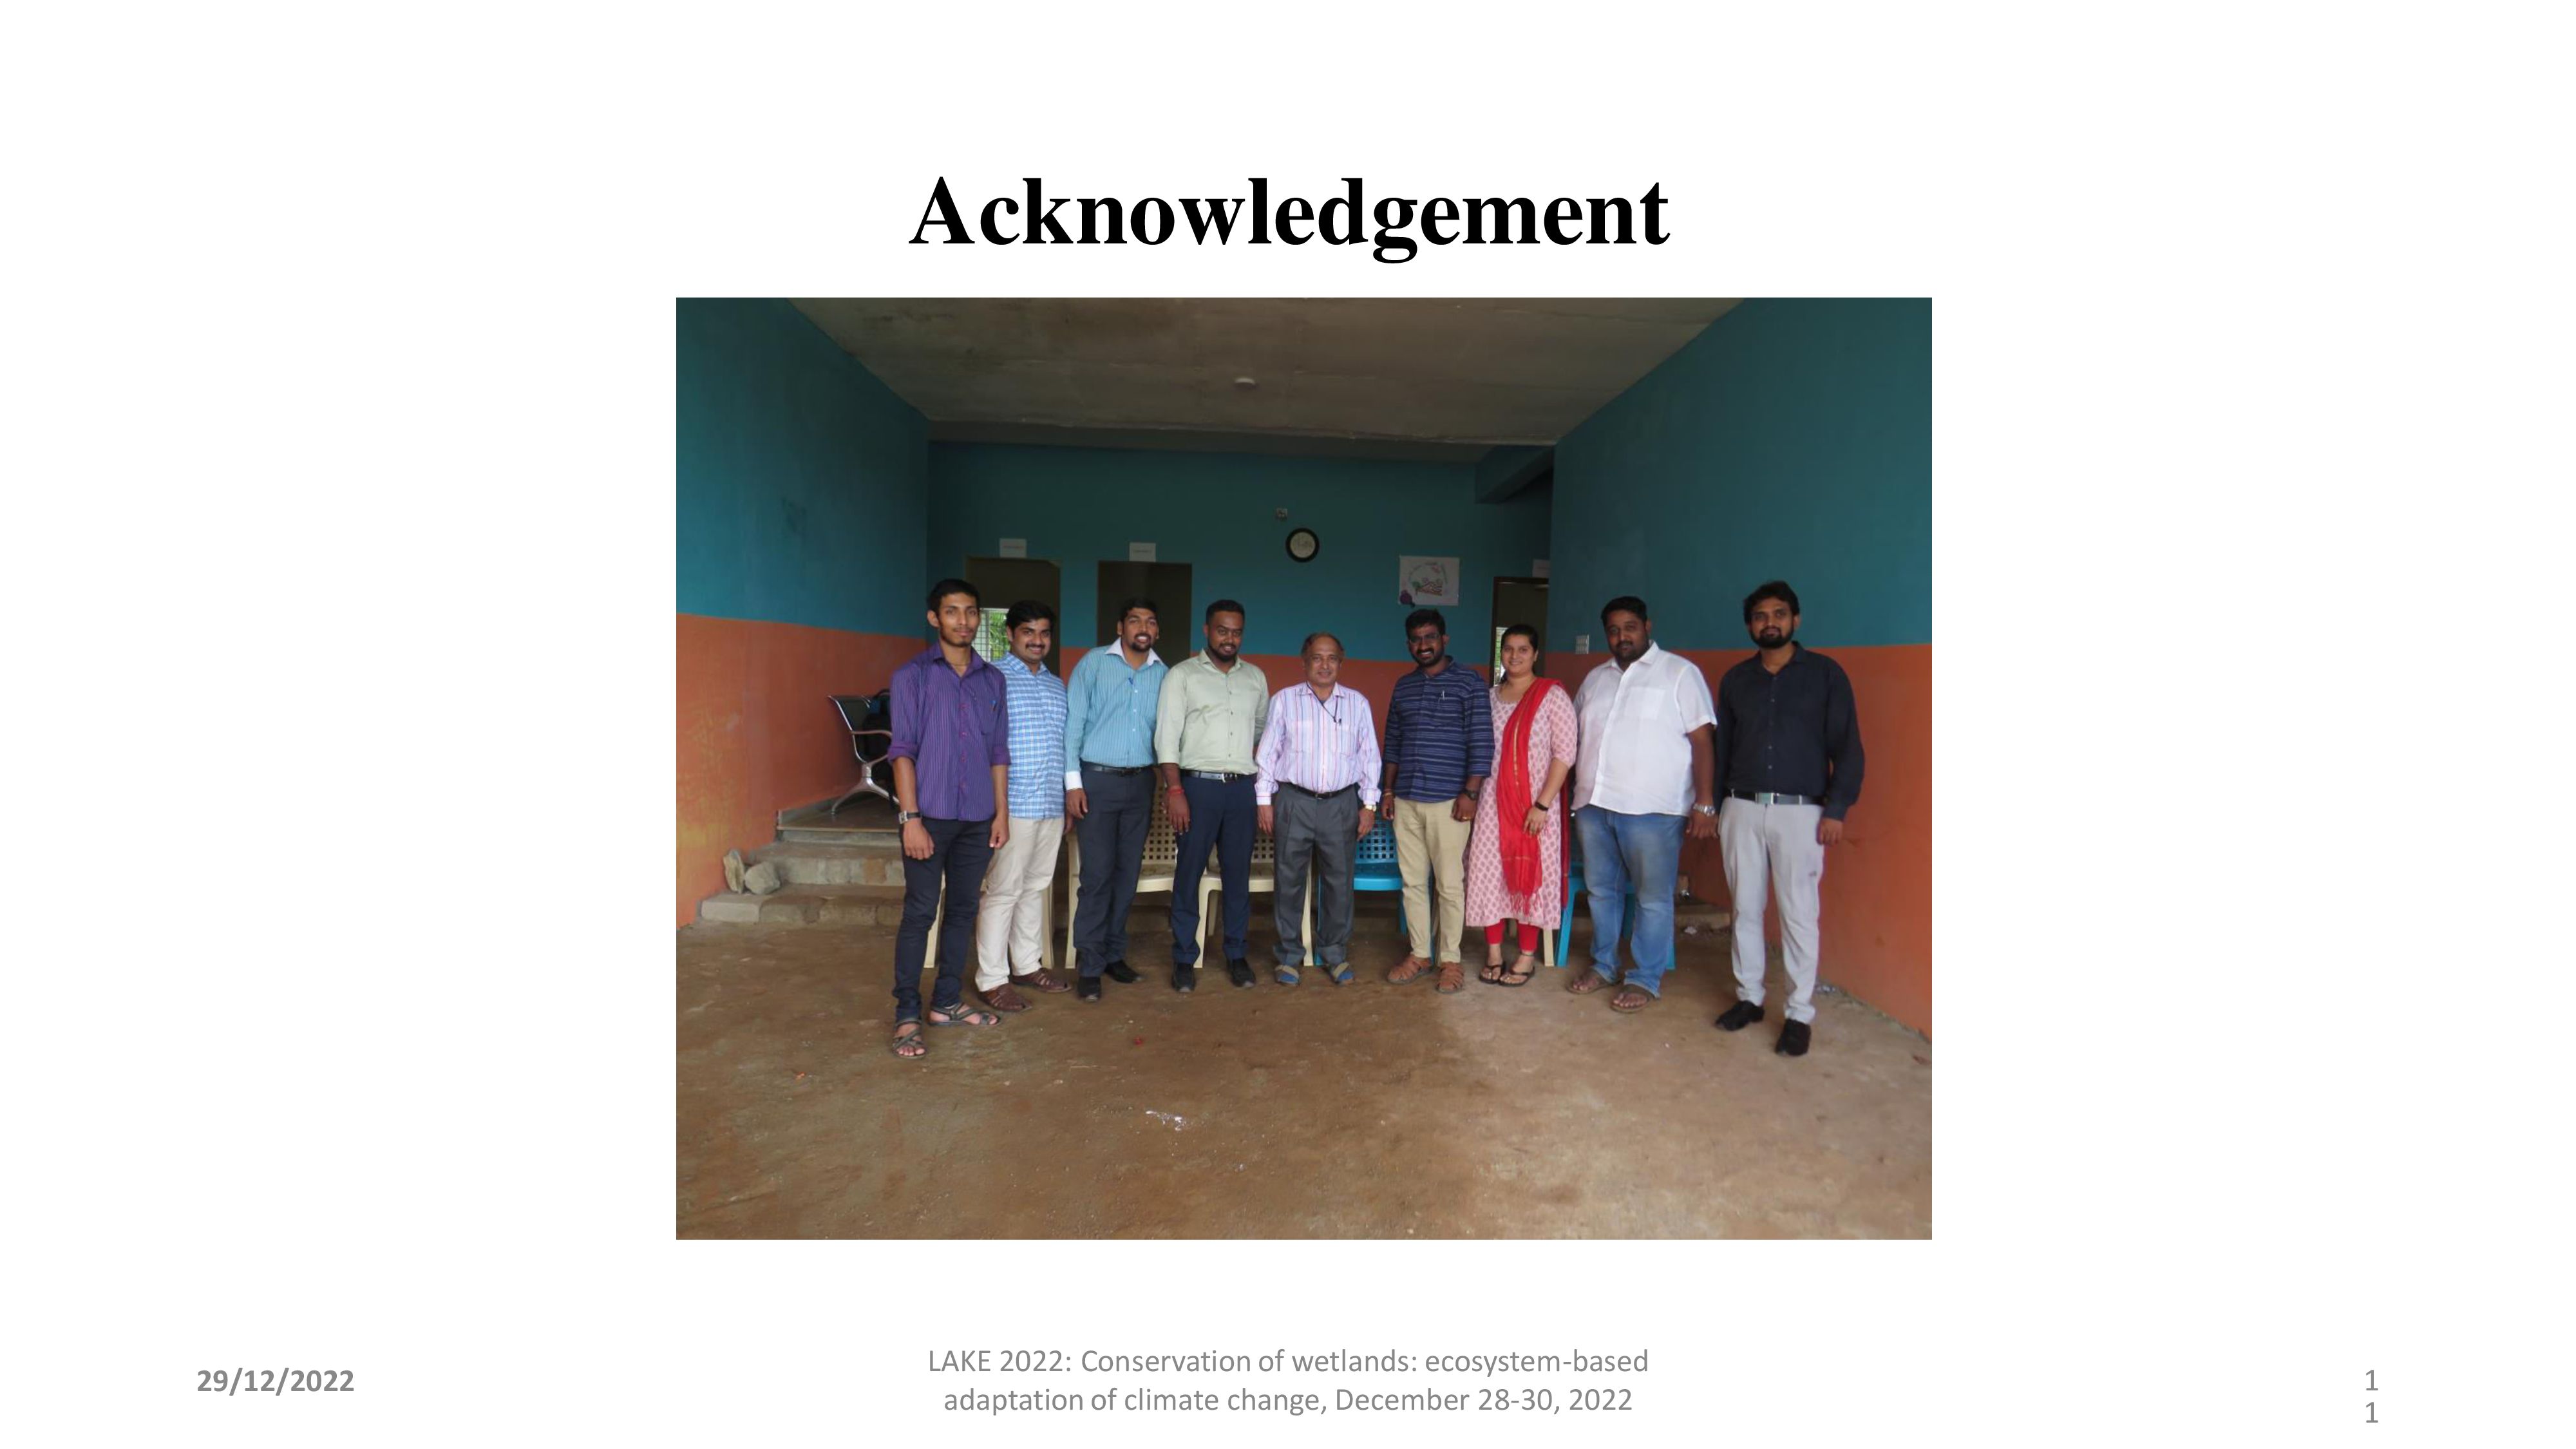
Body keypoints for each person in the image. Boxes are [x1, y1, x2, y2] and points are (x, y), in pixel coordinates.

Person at [1712, 580, 1866, 1057]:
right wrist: (1718, 808)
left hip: (1802, 812)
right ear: (1749, 625)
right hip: (1741, 807)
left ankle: (1799, 1014)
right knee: (1745, 908)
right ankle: (1750, 998)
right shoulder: (1737, 680)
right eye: (1761, 616)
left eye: (1779, 614)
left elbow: (1848, 747)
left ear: (1795, 620)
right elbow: (1723, 750)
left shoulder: (1825, 675)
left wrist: (1836, 809)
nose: (1770, 623)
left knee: (1799, 914)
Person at [1566, 594, 1719, 1014]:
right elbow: (1575, 737)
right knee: (1602, 892)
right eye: (1614, 630)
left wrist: (1705, 802)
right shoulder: (1595, 679)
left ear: (1647, 627)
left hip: (1653, 810)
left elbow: (1703, 741)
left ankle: (1645, 977)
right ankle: (1604, 965)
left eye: (1630, 627)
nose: (1622, 637)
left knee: (1652, 898)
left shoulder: (1679, 673)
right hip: (1595, 804)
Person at [884, 578, 1010, 1058]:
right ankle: (907, 1014)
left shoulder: (992, 680)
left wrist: (1000, 813)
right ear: (934, 618)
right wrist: (911, 818)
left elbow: (998, 753)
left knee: (962, 911)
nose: (964, 621)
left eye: (971, 611)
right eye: (953, 611)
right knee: (920, 912)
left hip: (978, 817)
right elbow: (902, 751)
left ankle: (946, 1003)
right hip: (929, 816)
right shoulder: (912, 676)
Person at [1155, 599, 1269, 992]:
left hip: (1241, 790)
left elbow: (1259, 729)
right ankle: (1185, 957)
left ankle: (1236, 954)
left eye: (1236, 632)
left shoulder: (1255, 678)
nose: (1229, 639)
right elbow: (1167, 736)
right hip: (1196, 789)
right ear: (1207, 631)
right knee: (1189, 873)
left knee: (1237, 875)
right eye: (1222, 631)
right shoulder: (1182, 676)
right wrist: (1175, 789)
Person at [1255, 632, 1382, 986]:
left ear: (1341, 662)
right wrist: (1264, 801)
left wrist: (1368, 804)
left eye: (1331, 658)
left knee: (1339, 881)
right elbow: (1268, 755)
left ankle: (1335, 952)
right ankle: (1289, 956)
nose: (1324, 665)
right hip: (1294, 800)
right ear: (1304, 662)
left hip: (1341, 803)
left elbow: (1370, 758)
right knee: (1289, 880)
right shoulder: (1285, 700)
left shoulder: (1357, 704)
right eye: (1317, 658)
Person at [1379, 608, 1491, 993]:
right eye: (1416, 639)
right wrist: (1388, 790)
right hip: (1407, 799)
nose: (1423, 645)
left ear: (1444, 640)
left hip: (1450, 802)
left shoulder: (1469, 683)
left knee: (1449, 885)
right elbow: (1393, 742)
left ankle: (1451, 960)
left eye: (1430, 637)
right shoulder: (1404, 686)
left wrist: (1470, 793)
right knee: (1413, 883)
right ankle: (1420, 954)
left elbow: (1482, 741)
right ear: (1409, 644)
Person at [1061, 597, 1167, 1001]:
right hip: (1097, 782)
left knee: (1127, 874)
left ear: (1157, 631)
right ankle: (1089, 964)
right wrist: (1073, 784)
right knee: (1097, 875)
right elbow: (1073, 726)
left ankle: (1113, 955)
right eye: (1135, 620)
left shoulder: (1164, 674)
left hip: (1140, 783)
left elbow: (1166, 733)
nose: (1143, 628)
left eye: (1151, 622)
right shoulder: (1093, 664)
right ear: (1120, 627)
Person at [1464, 624, 1577, 987]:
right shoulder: (1489, 697)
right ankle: (1494, 952)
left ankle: (1527, 955)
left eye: (1523, 649)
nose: (1515, 656)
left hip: (1535, 808)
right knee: (1489, 876)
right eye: (1508, 649)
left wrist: (1542, 806)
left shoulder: (1551, 696)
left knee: (1531, 878)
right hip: (1491, 806)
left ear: (1536, 654)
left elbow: (1565, 754)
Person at [972, 601, 1072, 1012]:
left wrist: (1065, 801)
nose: (1037, 641)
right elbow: (982, 744)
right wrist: (995, 810)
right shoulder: (992, 678)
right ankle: (992, 979)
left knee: (1035, 887)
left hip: (1050, 802)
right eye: (1028, 632)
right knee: (1003, 890)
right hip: (1012, 803)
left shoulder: (1056, 685)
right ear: (1010, 634)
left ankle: (1027, 965)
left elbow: (1064, 746)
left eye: (1044, 633)